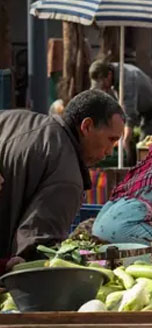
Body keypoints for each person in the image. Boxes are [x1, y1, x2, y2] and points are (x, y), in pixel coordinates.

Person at [0, 90, 125, 272]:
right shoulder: (67, 175)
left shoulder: (16, 118)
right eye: (111, 140)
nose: (110, 152)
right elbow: (37, 248)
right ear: (87, 126)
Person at [89, 60, 152, 165]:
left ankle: (143, 170)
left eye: (103, 84)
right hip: (141, 107)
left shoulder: (127, 80)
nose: (103, 88)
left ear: (109, 75)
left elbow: (130, 114)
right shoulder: (111, 73)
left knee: (144, 140)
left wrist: (124, 140)